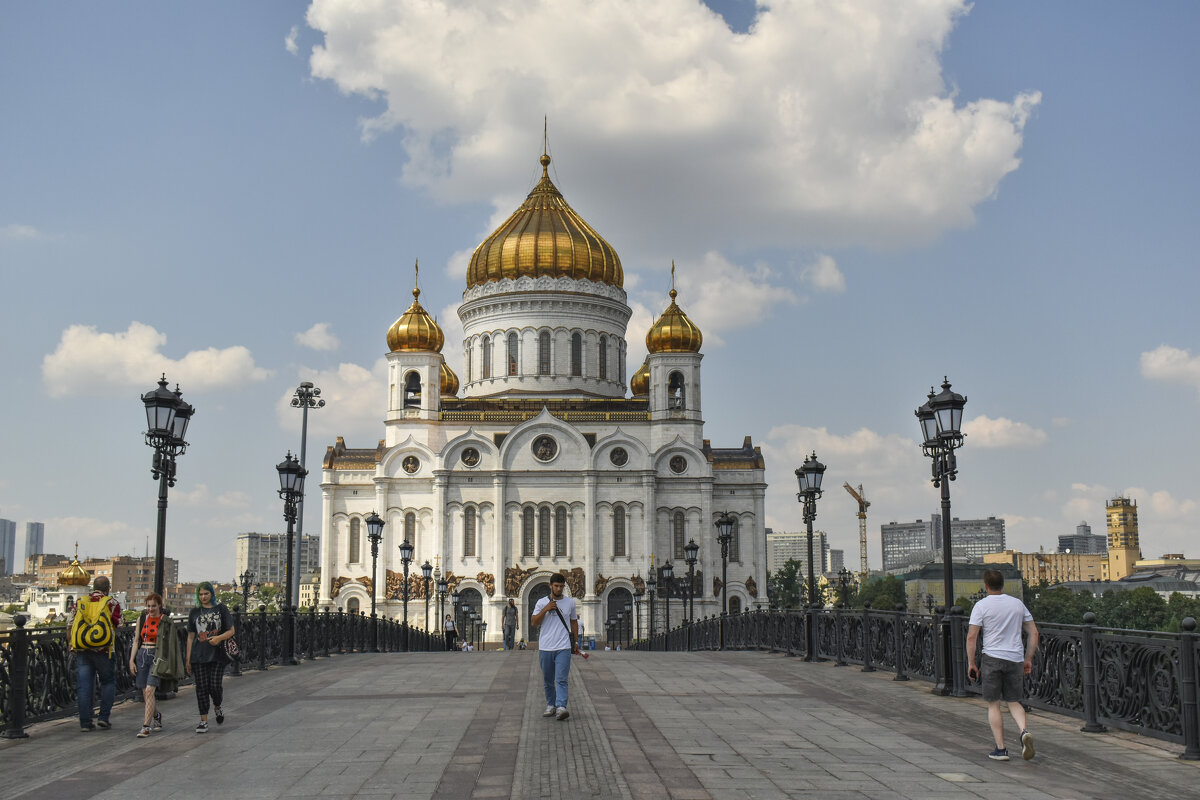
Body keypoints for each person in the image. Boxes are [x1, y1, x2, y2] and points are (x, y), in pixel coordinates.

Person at [967, 569, 1040, 761]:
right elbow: (1034, 633)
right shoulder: (1017, 604)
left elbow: (972, 636)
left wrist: (971, 663)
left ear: (986, 585)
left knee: (994, 704)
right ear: (1002, 584)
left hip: (992, 657)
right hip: (1015, 657)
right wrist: (1028, 658)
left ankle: (1001, 749)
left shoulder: (981, 606)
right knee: (1014, 701)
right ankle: (1024, 732)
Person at [70, 575, 122, 732]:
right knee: (108, 682)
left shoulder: (80, 602)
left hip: (82, 649)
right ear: (108, 589)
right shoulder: (111, 603)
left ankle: (85, 723)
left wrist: (71, 645)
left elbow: (70, 623)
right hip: (104, 650)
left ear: (93, 588)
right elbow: (119, 623)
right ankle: (103, 718)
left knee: (84, 686)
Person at [185, 582, 235, 734]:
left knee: (214, 686)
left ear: (212, 594)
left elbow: (231, 630)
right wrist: (187, 659)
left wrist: (219, 638)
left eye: (206, 593)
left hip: (217, 655)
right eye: (200, 594)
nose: (203, 597)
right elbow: (190, 637)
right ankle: (203, 720)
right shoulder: (194, 612)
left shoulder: (221, 609)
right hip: (198, 655)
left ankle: (217, 706)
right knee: (201, 688)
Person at [530, 573, 580, 721]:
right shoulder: (541, 602)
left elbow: (573, 623)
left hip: (563, 647)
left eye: (561, 586)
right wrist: (546, 609)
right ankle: (550, 705)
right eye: (556, 586)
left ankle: (561, 707)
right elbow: (534, 622)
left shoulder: (570, 602)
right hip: (545, 647)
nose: (559, 589)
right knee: (548, 679)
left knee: (562, 679)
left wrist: (575, 642)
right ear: (550, 586)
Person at [129, 592, 166, 738]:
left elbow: (168, 642)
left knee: (150, 690)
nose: (151, 609)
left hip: (156, 656)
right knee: (146, 693)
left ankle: (145, 726)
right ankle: (156, 715)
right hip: (143, 655)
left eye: (153, 606)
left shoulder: (164, 620)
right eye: (148, 606)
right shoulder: (142, 619)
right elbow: (136, 640)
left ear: (159, 606)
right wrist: (131, 660)